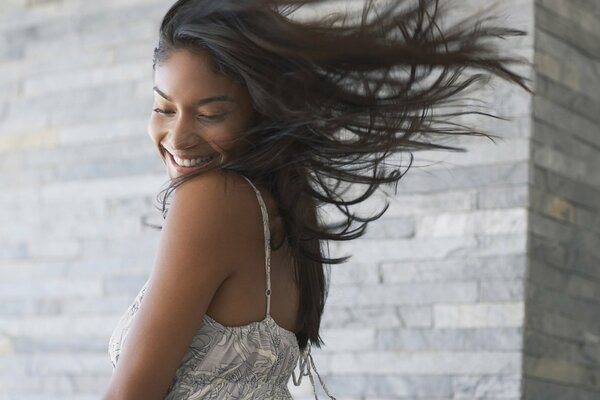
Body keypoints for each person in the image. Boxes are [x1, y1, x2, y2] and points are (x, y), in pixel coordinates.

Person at [103, 0, 529, 398]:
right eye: (164, 108)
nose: (177, 137)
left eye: (211, 114)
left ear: (259, 112)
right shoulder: (285, 209)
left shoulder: (214, 198)